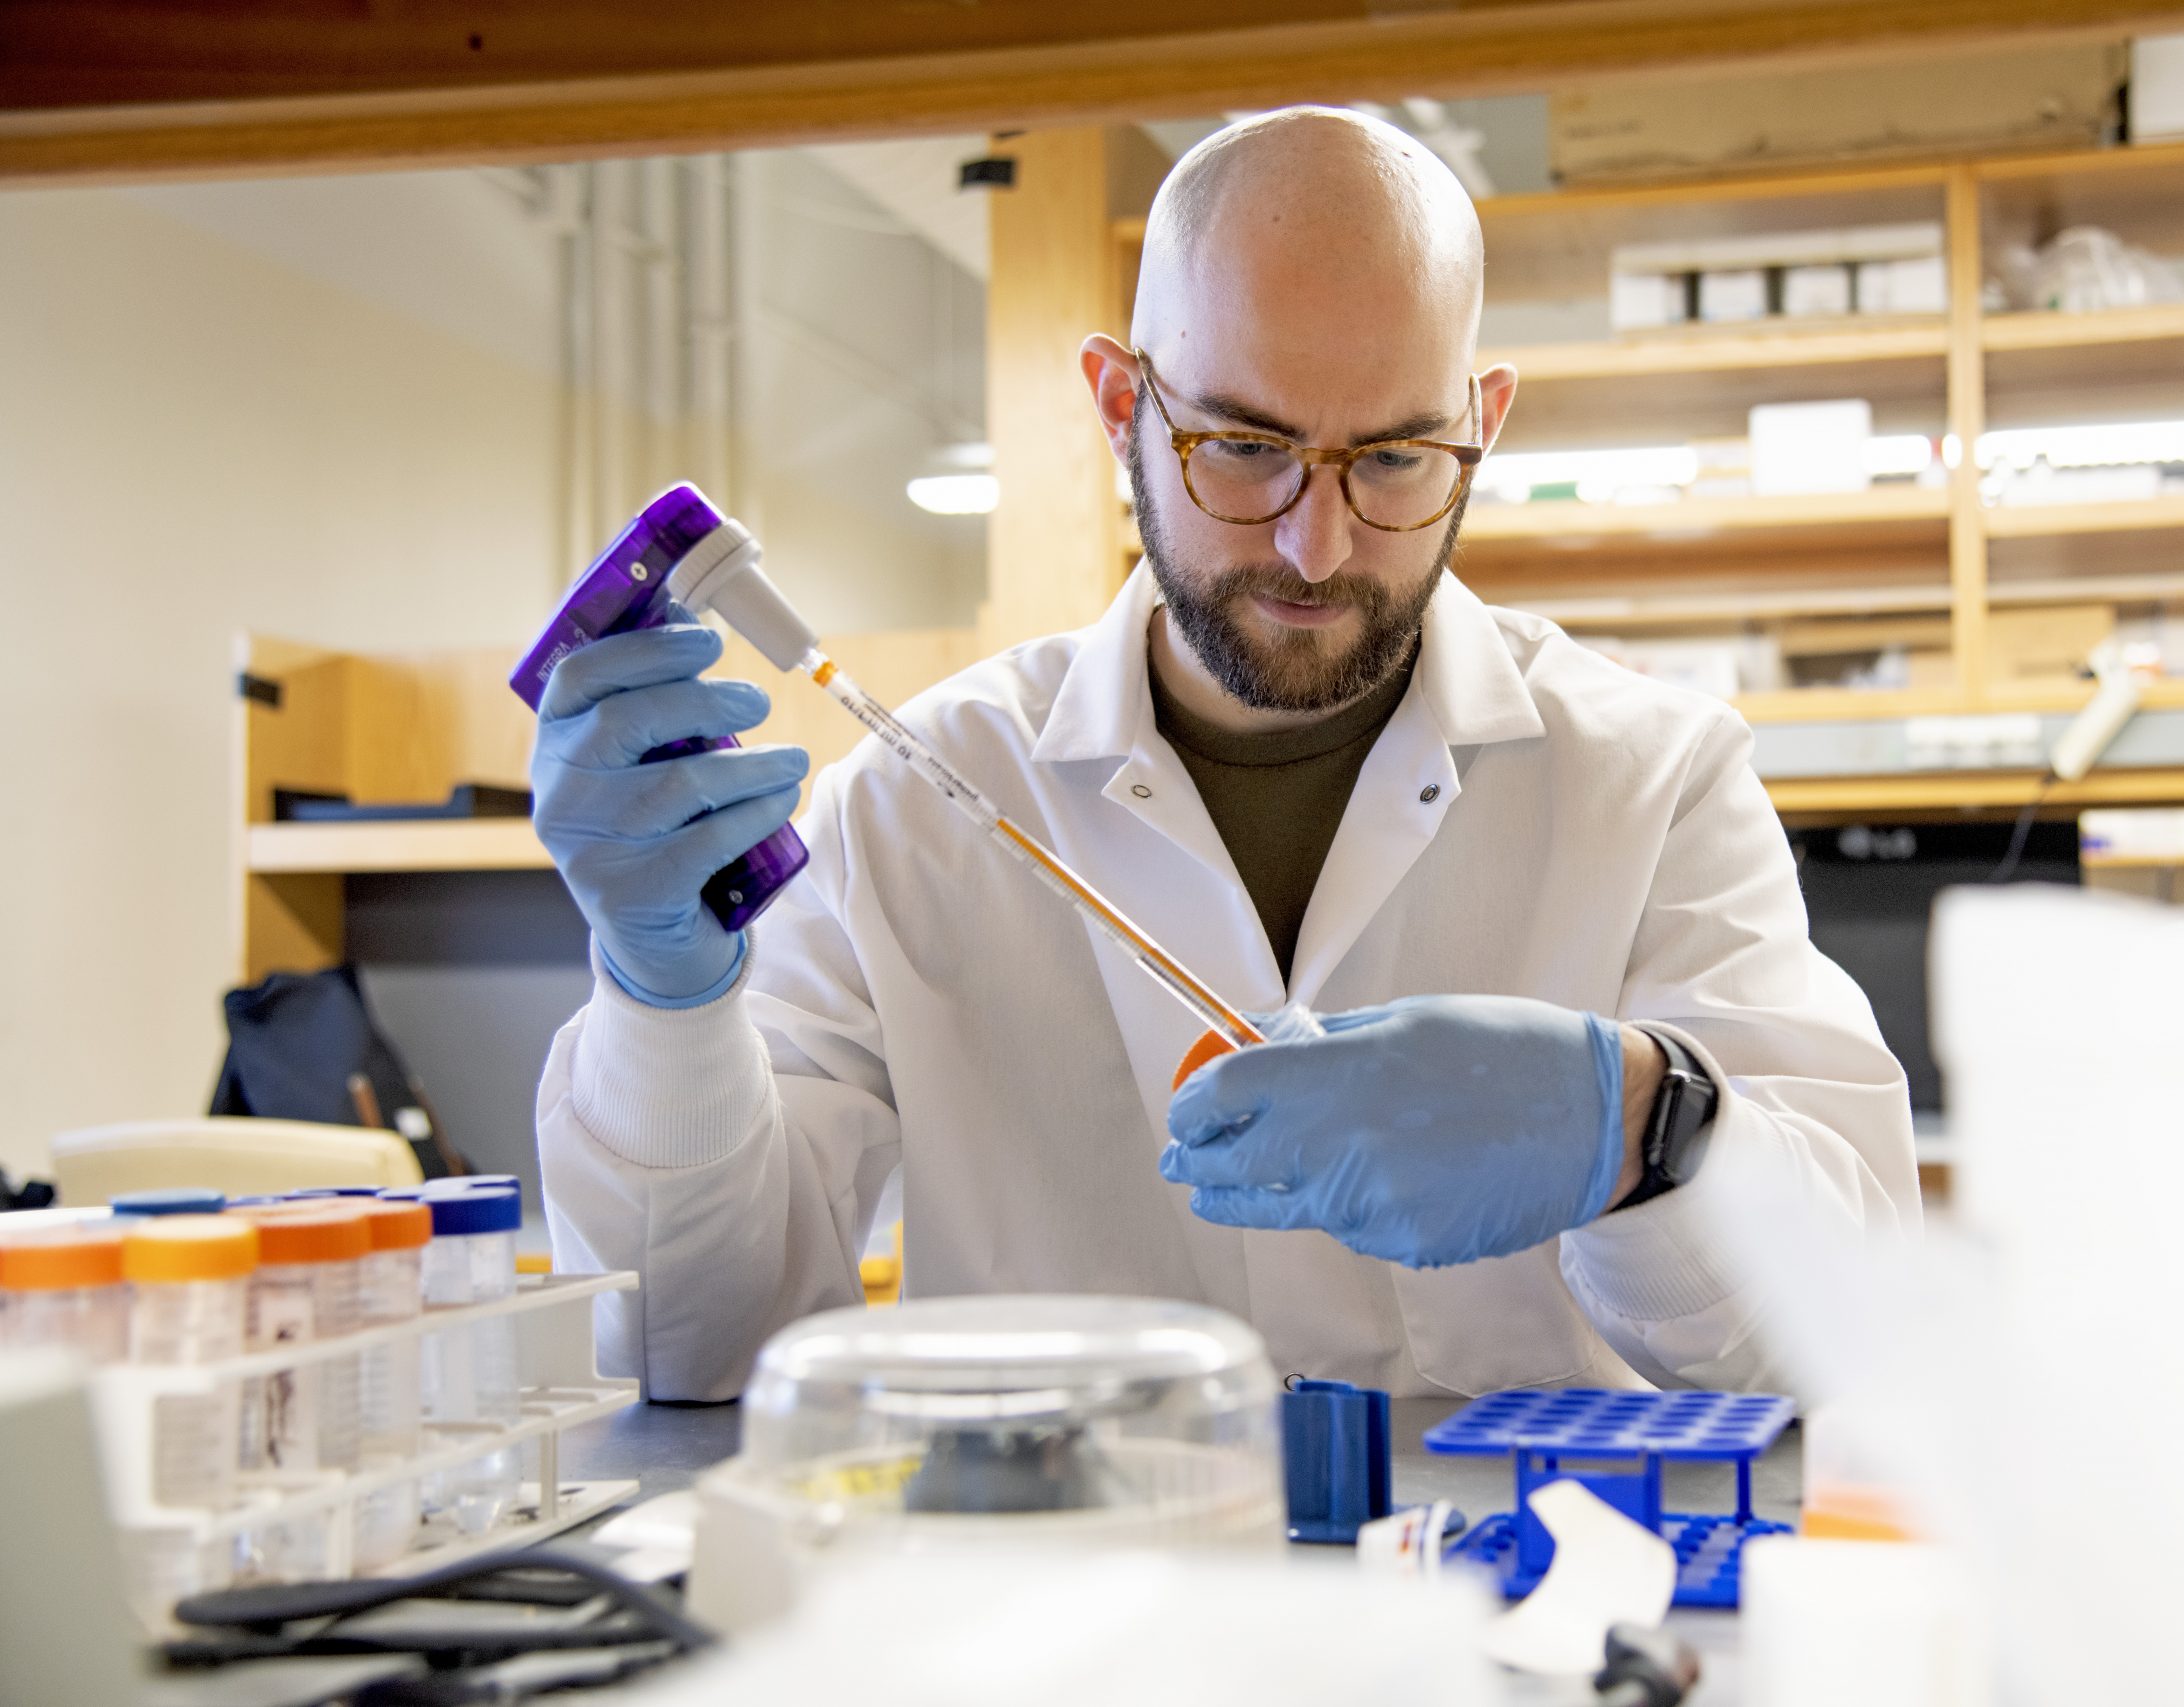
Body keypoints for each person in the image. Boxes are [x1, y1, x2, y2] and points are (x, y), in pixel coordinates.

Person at [531, 107, 1918, 1402]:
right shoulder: (915, 799)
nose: (1318, 547)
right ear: (1120, 402)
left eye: (1394, 458)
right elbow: (696, 1342)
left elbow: (1833, 1335)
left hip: (1529, 1628)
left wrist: (1635, 1129)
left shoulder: (1651, 780)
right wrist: (662, 1009)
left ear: (1482, 424)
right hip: (1082, 1619)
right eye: (1245, 448)